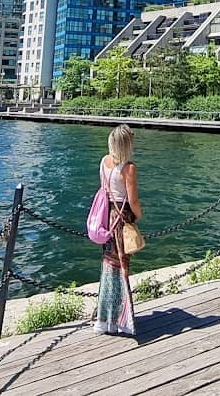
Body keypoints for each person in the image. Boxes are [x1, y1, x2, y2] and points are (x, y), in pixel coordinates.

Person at [94, 124, 142, 336]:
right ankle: (121, 321)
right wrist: (138, 216)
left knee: (108, 267)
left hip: (107, 218)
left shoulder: (104, 161)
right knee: (122, 267)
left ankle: (104, 319)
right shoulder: (129, 168)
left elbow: (105, 190)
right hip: (122, 221)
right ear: (127, 145)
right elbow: (133, 201)